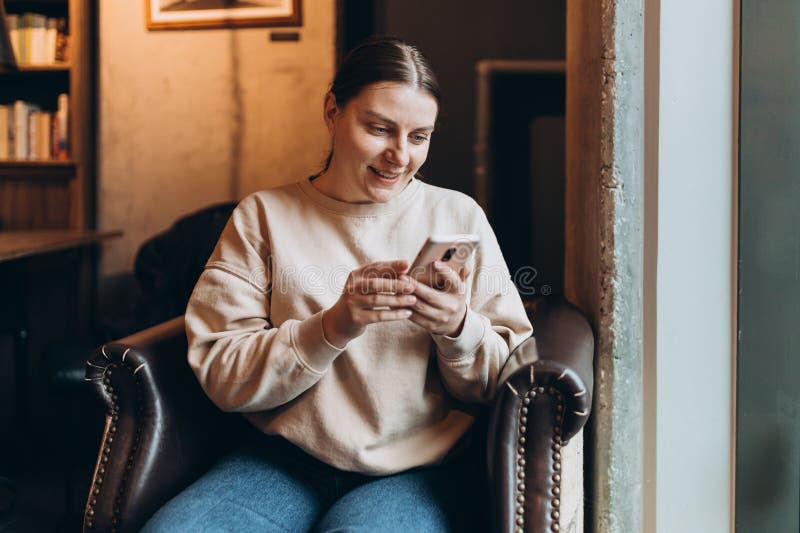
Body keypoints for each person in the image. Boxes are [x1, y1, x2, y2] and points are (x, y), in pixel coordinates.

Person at [142, 36, 533, 533]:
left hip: (414, 471)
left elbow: (507, 379)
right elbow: (222, 375)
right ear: (332, 111)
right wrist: (332, 326)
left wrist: (457, 328)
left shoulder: (456, 215)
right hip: (280, 463)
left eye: (419, 137)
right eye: (379, 129)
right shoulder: (263, 217)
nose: (399, 156)